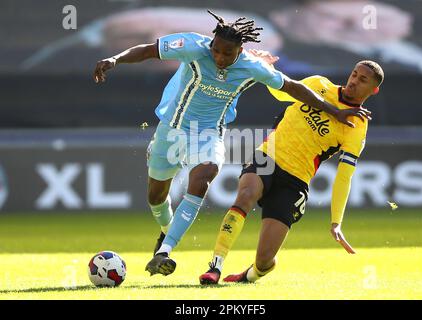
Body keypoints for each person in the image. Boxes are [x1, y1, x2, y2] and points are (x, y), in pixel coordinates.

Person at [94, 10, 371, 277]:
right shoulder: (192, 45)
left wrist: (334, 111)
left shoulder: (251, 66)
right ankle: (167, 230)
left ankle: (164, 252)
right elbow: (147, 50)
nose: (219, 57)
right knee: (155, 198)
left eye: (227, 53)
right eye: (216, 50)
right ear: (211, 43)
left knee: (205, 174)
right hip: (172, 131)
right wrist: (115, 60)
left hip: (209, 134)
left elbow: (291, 86)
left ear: (240, 51)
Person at [199, 53, 383, 284]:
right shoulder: (319, 84)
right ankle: (215, 266)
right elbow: (279, 92)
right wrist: (264, 68)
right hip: (268, 156)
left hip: (296, 180)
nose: (354, 81)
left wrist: (336, 222)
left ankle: (250, 275)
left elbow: (344, 176)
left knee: (266, 259)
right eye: (354, 74)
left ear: (373, 90)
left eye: (363, 80)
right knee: (245, 195)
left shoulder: (357, 126)